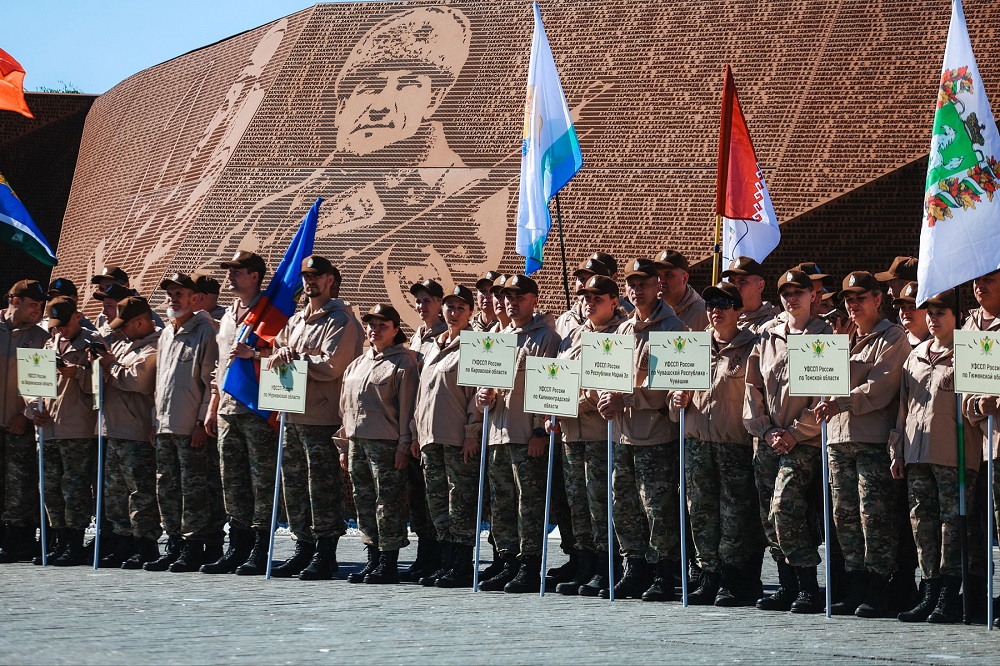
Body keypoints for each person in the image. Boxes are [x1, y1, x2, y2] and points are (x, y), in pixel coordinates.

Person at [814, 271, 910, 617]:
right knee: (845, 517)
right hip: (839, 438)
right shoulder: (844, 336)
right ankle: (854, 585)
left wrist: (843, 401)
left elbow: (882, 386)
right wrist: (837, 348)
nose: (853, 305)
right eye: (848, 300)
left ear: (877, 300)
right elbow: (823, 377)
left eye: (860, 298)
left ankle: (878, 587)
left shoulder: (892, 337)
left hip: (871, 438)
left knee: (876, 517)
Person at [268, 255, 362, 580]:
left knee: (321, 487)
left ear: (330, 280)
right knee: (294, 486)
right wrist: (279, 355)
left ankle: (326, 552)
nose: (310, 281)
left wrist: (296, 358)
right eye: (306, 276)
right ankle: (303, 546)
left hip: (321, 417)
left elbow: (332, 365)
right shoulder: (295, 321)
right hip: (292, 416)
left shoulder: (341, 321)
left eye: (317, 276)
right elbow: (276, 356)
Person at [597, 258, 685, 601]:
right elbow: (607, 377)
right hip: (621, 435)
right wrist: (605, 397)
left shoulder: (672, 329)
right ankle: (634, 568)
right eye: (632, 285)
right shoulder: (621, 331)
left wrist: (627, 399)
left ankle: (664, 572)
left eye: (644, 284)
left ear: (656, 287)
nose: (637, 290)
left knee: (658, 508)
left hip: (656, 436)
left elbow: (667, 387)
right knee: (625, 505)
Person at [745, 269, 832, 614]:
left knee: (786, 509)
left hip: (804, 442)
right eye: (786, 292)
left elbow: (826, 390)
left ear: (813, 296)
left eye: (800, 291)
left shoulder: (825, 335)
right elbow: (752, 388)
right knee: (769, 515)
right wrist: (765, 429)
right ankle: (787, 584)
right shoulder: (768, 335)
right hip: (768, 440)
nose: (792, 298)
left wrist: (796, 432)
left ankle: (808, 585)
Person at [668, 282, 760, 606]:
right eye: (710, 304)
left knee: (734, 514)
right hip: (696, 443)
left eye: (724, 303)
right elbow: (673, 399)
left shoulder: (752, 347)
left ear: (738, 309)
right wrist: (676, 399)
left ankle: (734, 578)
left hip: (733, 443)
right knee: (700, 512)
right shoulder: (691, 346)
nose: (715, 310)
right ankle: (709, 575)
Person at [892, 289, 979, 624]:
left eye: (940, 311)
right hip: (917, 452)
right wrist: (896, 449)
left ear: (957, 316)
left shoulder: (967, 354)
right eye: (929, 311)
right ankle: (928, 590)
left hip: (954, 454)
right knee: (922, 524)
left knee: (951, 526)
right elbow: (903, 409)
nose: (932, 317)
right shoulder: (915, 356)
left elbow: (976, 403)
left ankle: (948, 595)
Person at [475, 274, 560, 593]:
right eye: (507, 296)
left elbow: (551, 387)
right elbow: (482, 387)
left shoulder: (545, 338)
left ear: (534, 299)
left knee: (529, 504)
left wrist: (540, 429)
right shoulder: (494, 337)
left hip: (527, 436)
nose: (511, 301)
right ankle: (507, 561)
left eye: (519, 296)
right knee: (502, 504)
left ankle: (529, 566)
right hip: (497, 434)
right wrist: (482, 396)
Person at [202, 251, 279, 576]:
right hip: (227, 409)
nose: (230, 276)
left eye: (237, 271)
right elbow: (221, 366)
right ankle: (239, 545)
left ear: (255, 276)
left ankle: (261, 547)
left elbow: (281, 352)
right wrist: (212, 404)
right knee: (231, 481)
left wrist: (256, 354)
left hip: (257, 407)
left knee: (260, 481)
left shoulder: (271, 311)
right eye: (229, 271)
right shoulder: (230, 315)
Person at [550, 275, 627, 597]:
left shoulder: (621, 335)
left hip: (600, 434)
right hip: (571, 435)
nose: (589, 302)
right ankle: (583, 564)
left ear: (613, 301)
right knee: (578, 504)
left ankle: (606, 567)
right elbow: (558, 379)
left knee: (600, 505)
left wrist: (572, 404)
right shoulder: (575, 336)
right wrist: (551, 410)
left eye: (597, 297)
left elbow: (608, 390)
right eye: (585, 297)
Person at [147, 273, 222, 572]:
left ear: (195, 298)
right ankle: (175, 542)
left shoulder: (206, 331)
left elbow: (208, 381)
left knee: (195, 490)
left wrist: (202, 422)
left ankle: (197, 546)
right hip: (165, 424)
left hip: (190, 425)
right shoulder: (167, 333)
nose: (173, 299)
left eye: (180, 294)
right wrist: (155, 420)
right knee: (167, 487)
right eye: (170, 294)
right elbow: (160, 382)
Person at [340, 304, 419, 585]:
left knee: (388, 503)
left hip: (386, 444)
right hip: (357, 441)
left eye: (383, 325)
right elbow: (346, 406)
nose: (375, 330)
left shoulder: (404, 362)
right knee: (364, 501)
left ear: (396, 329)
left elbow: (408, 408)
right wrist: (343, 444)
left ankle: (388, 562)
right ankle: (372, 557)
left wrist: (403, 445)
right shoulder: (359, 363)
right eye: (372, 325)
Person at [413, 286, 482, 588]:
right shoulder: (432, 346)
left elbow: (477, 395)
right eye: (450, 308)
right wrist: (416, 433)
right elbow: (421, 393)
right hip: (430, 437)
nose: (453, 313)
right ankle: (445, 560)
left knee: (460, 501)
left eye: (460, 309)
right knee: (438, 502)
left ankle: (462, 564)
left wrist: (472, 432)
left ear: (471, 313)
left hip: (456, 437)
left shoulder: (477, 346)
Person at [26, 297, 102, 566]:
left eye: (65, 324)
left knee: (75, 490)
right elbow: (31, 385)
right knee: (49, 489)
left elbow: (103, 385)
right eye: (56, 325)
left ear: (78, 316)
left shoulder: (92, 343)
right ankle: (57, 540)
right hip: (47, 430)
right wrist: (31, 410)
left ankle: (73, 542)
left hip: (76, 429)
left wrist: (79, 373)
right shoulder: (48, 345)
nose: (61, 330)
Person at [92, 296, 162, 569]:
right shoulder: (123, 344)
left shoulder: (153, 347)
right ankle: (122, 541)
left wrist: (109, 364)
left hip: (135, 431)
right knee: (115, 493)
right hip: (114, 429)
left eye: (126, 326)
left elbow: (138, 381)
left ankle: (145, 545)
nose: (120, 331)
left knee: (139, 493)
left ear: (141, 322)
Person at [961, 268, 1000, 625]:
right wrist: (977, 406)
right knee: (976, 526)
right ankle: (977, 594)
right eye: (976, 279)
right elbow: (964, 390)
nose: (979, 285)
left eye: (988, 278)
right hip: (979, 445)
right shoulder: (970, 328)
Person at [0, 280, 49, 563]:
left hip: (19, 424)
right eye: (33, 305)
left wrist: (25, 414)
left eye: (40, 306)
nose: (37, 311)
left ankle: (18, 538)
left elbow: (39, 386)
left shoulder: (40, 338)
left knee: (20, 485)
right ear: (15, 301)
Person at [402, 278, 448, 580]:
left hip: (440, 425)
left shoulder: (447, 336)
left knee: (438, 495)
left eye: (427, 301)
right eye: (418, 301)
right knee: (419, 493)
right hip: (417, 423)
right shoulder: (417, 337)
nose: (421, 306)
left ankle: (440, 554)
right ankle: (424, 548)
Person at [554, 258, 610, 339]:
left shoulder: (620, 326)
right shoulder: (564, 321)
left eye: (591, 280)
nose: (584, 284)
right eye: (581, 279)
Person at [721, 257, 780, 333]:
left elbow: (795, 342)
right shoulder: (719, 320)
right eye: (731, 281)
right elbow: (702, 344)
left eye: (742, 281)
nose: (735, 286)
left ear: (760, 285)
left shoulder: (775, 325)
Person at [654, 250, 708, 332]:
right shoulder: (648, 311)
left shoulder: (704, 314)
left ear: (684, 278)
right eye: (657, 275)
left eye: (668, 275)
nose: (660, 280)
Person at [893, 282, 930, 347]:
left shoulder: (939, 343)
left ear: (928, 310)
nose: (906, 312)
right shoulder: (896, 341)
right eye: (903, 307)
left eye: (912, 307)